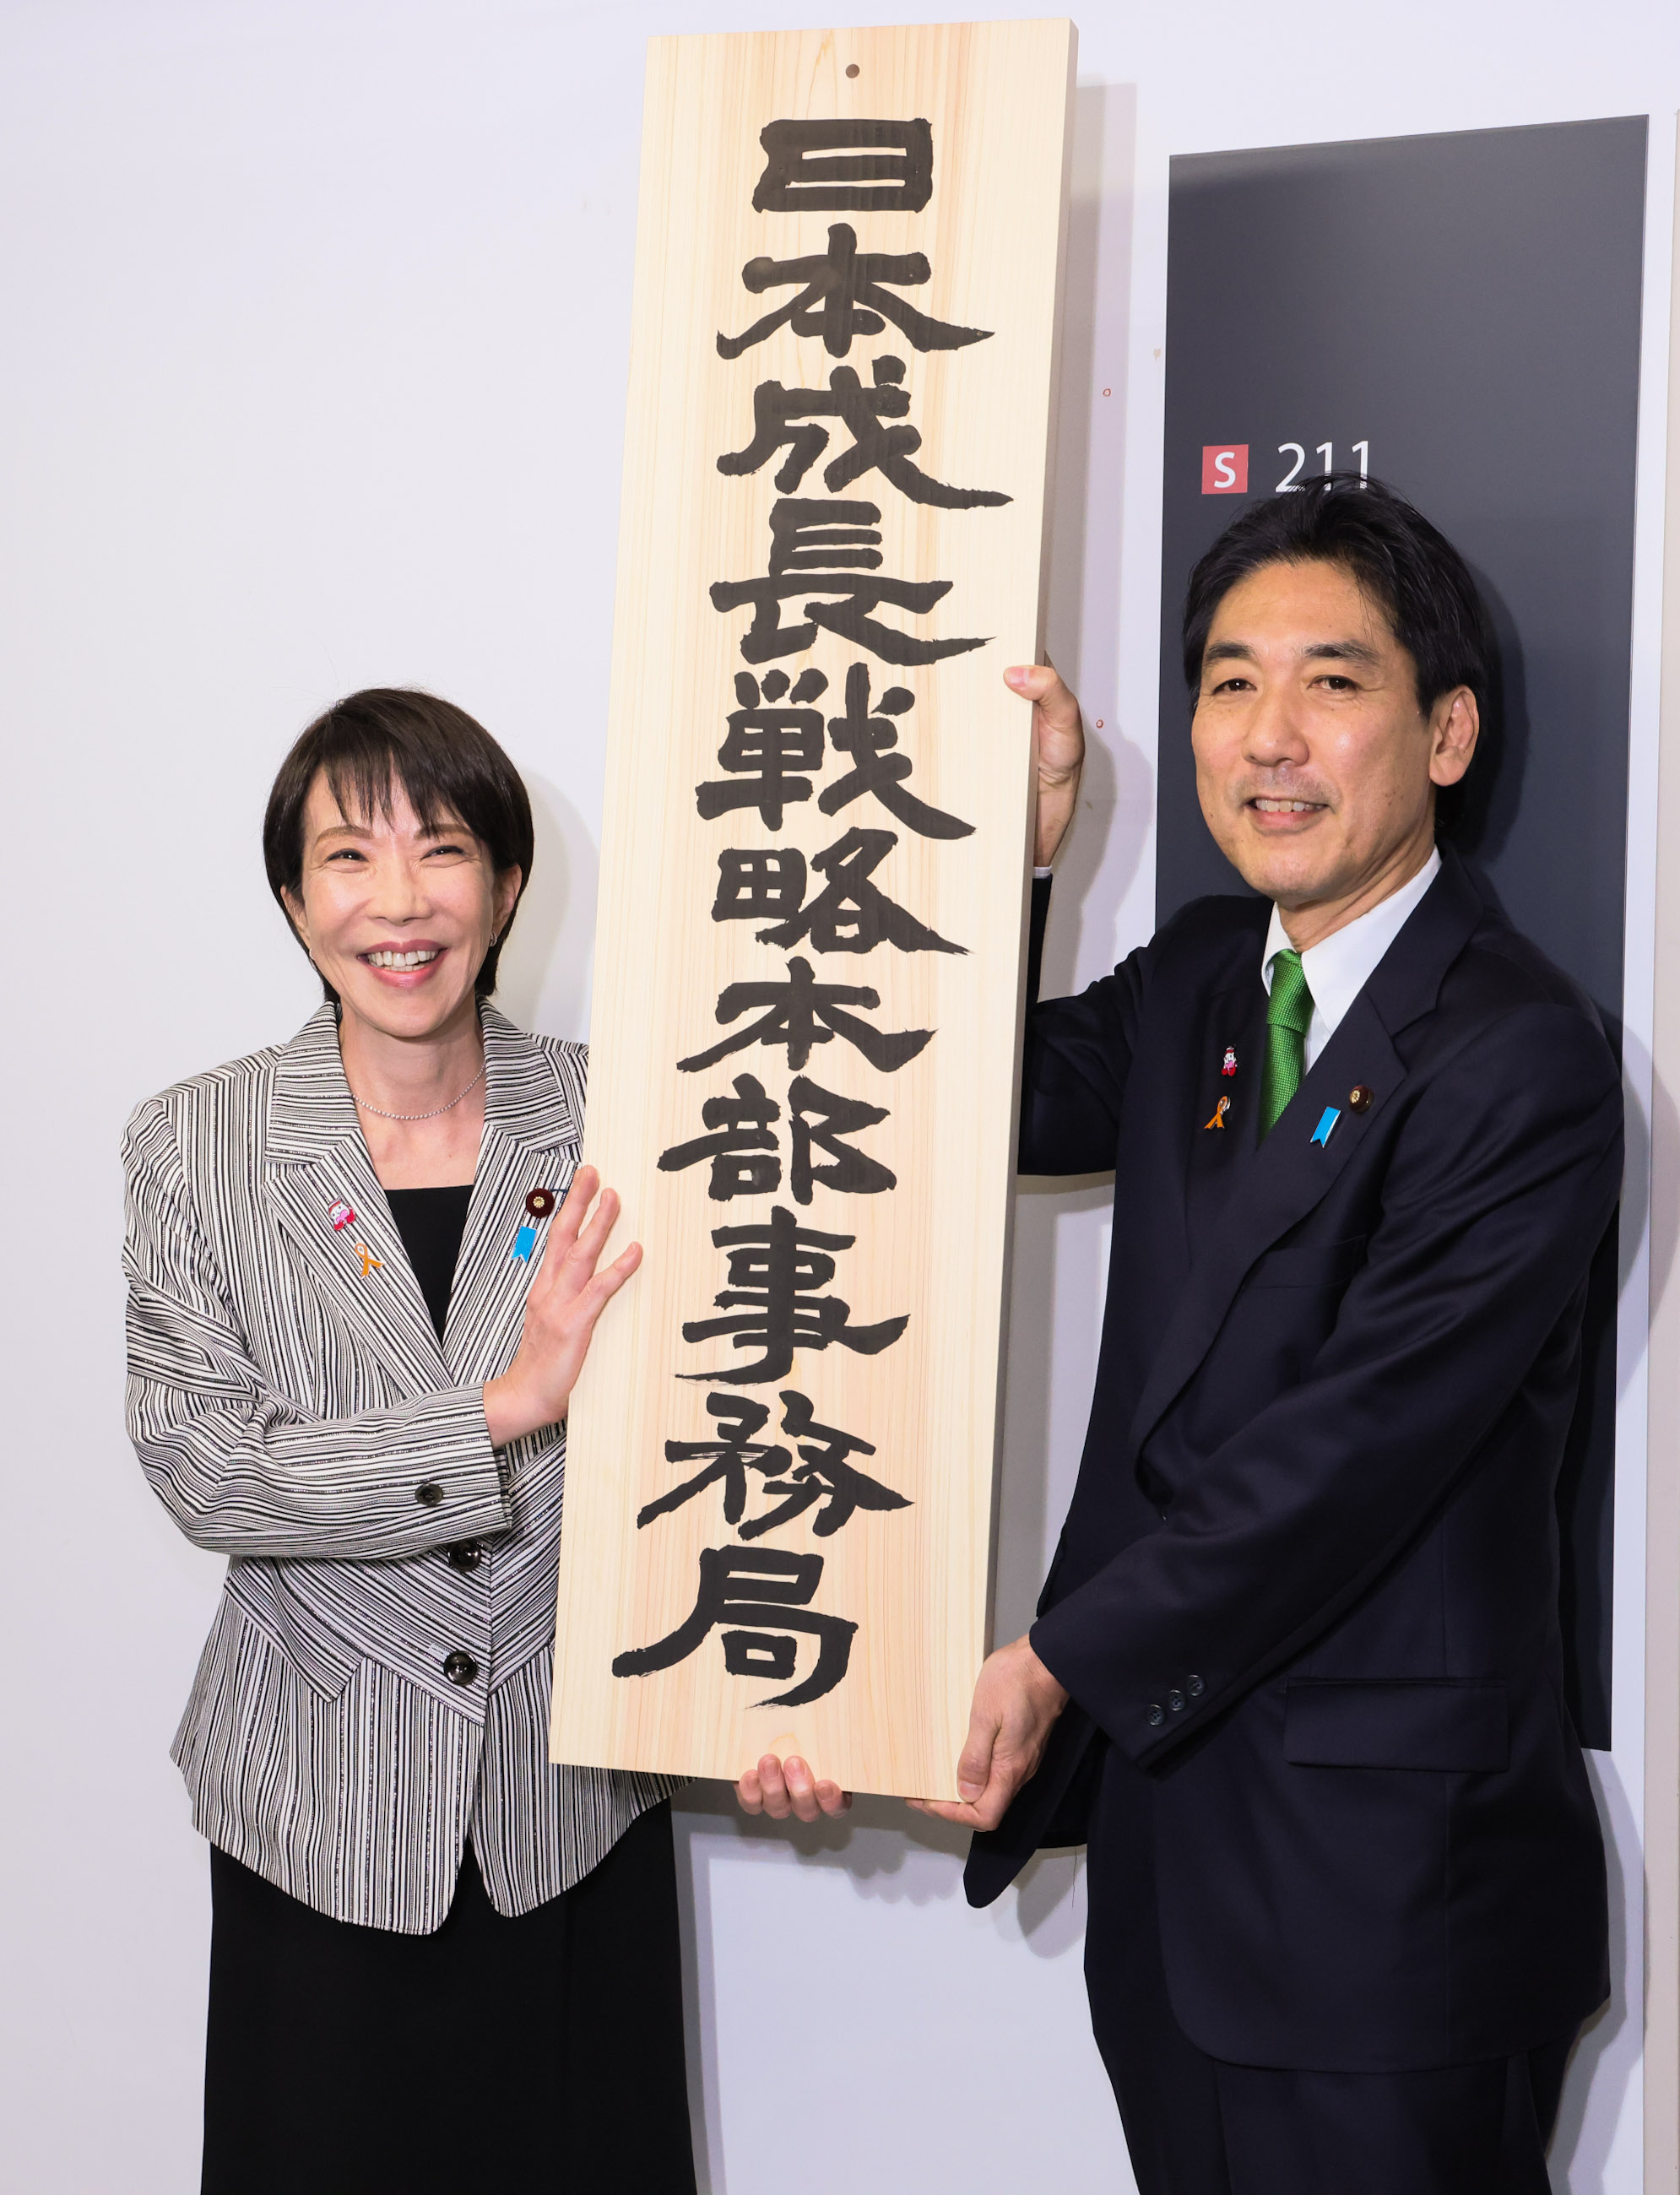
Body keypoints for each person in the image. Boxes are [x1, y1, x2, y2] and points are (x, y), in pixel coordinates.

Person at [740, 478, 1623, 2193]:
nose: (1266, 736)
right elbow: (938, 1104)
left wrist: (1053, 1657)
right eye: (1227, 681)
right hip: (1176, 1873)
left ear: (1443, 732)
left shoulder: (1521, 1053)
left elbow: (1343, 1458)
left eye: (1329, 681)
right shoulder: (1207, 976)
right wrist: (1009, 856)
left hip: (1393, 1903)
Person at [122, 689, 695, 2195]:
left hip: (569, 1811)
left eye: (442, 852)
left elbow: (718, 1439)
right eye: (348, 860)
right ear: (295, 899)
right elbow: (209, 1468)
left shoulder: (622, 1122)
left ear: (507, 888)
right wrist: (502, 1407)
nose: (400, 903)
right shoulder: (196, 1144)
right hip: (317, 1815)